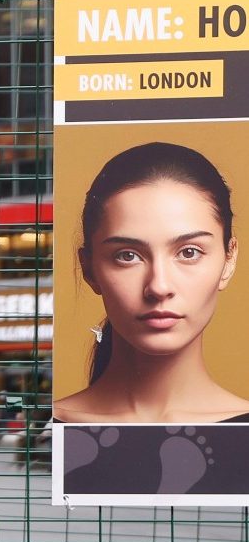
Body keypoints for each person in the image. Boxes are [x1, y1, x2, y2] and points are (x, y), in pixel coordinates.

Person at [56, 142, 249, 424]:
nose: (159, 287)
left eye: (189, 252)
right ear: (89, 268)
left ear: (228, 259)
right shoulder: (48, 433)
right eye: (128, 256)